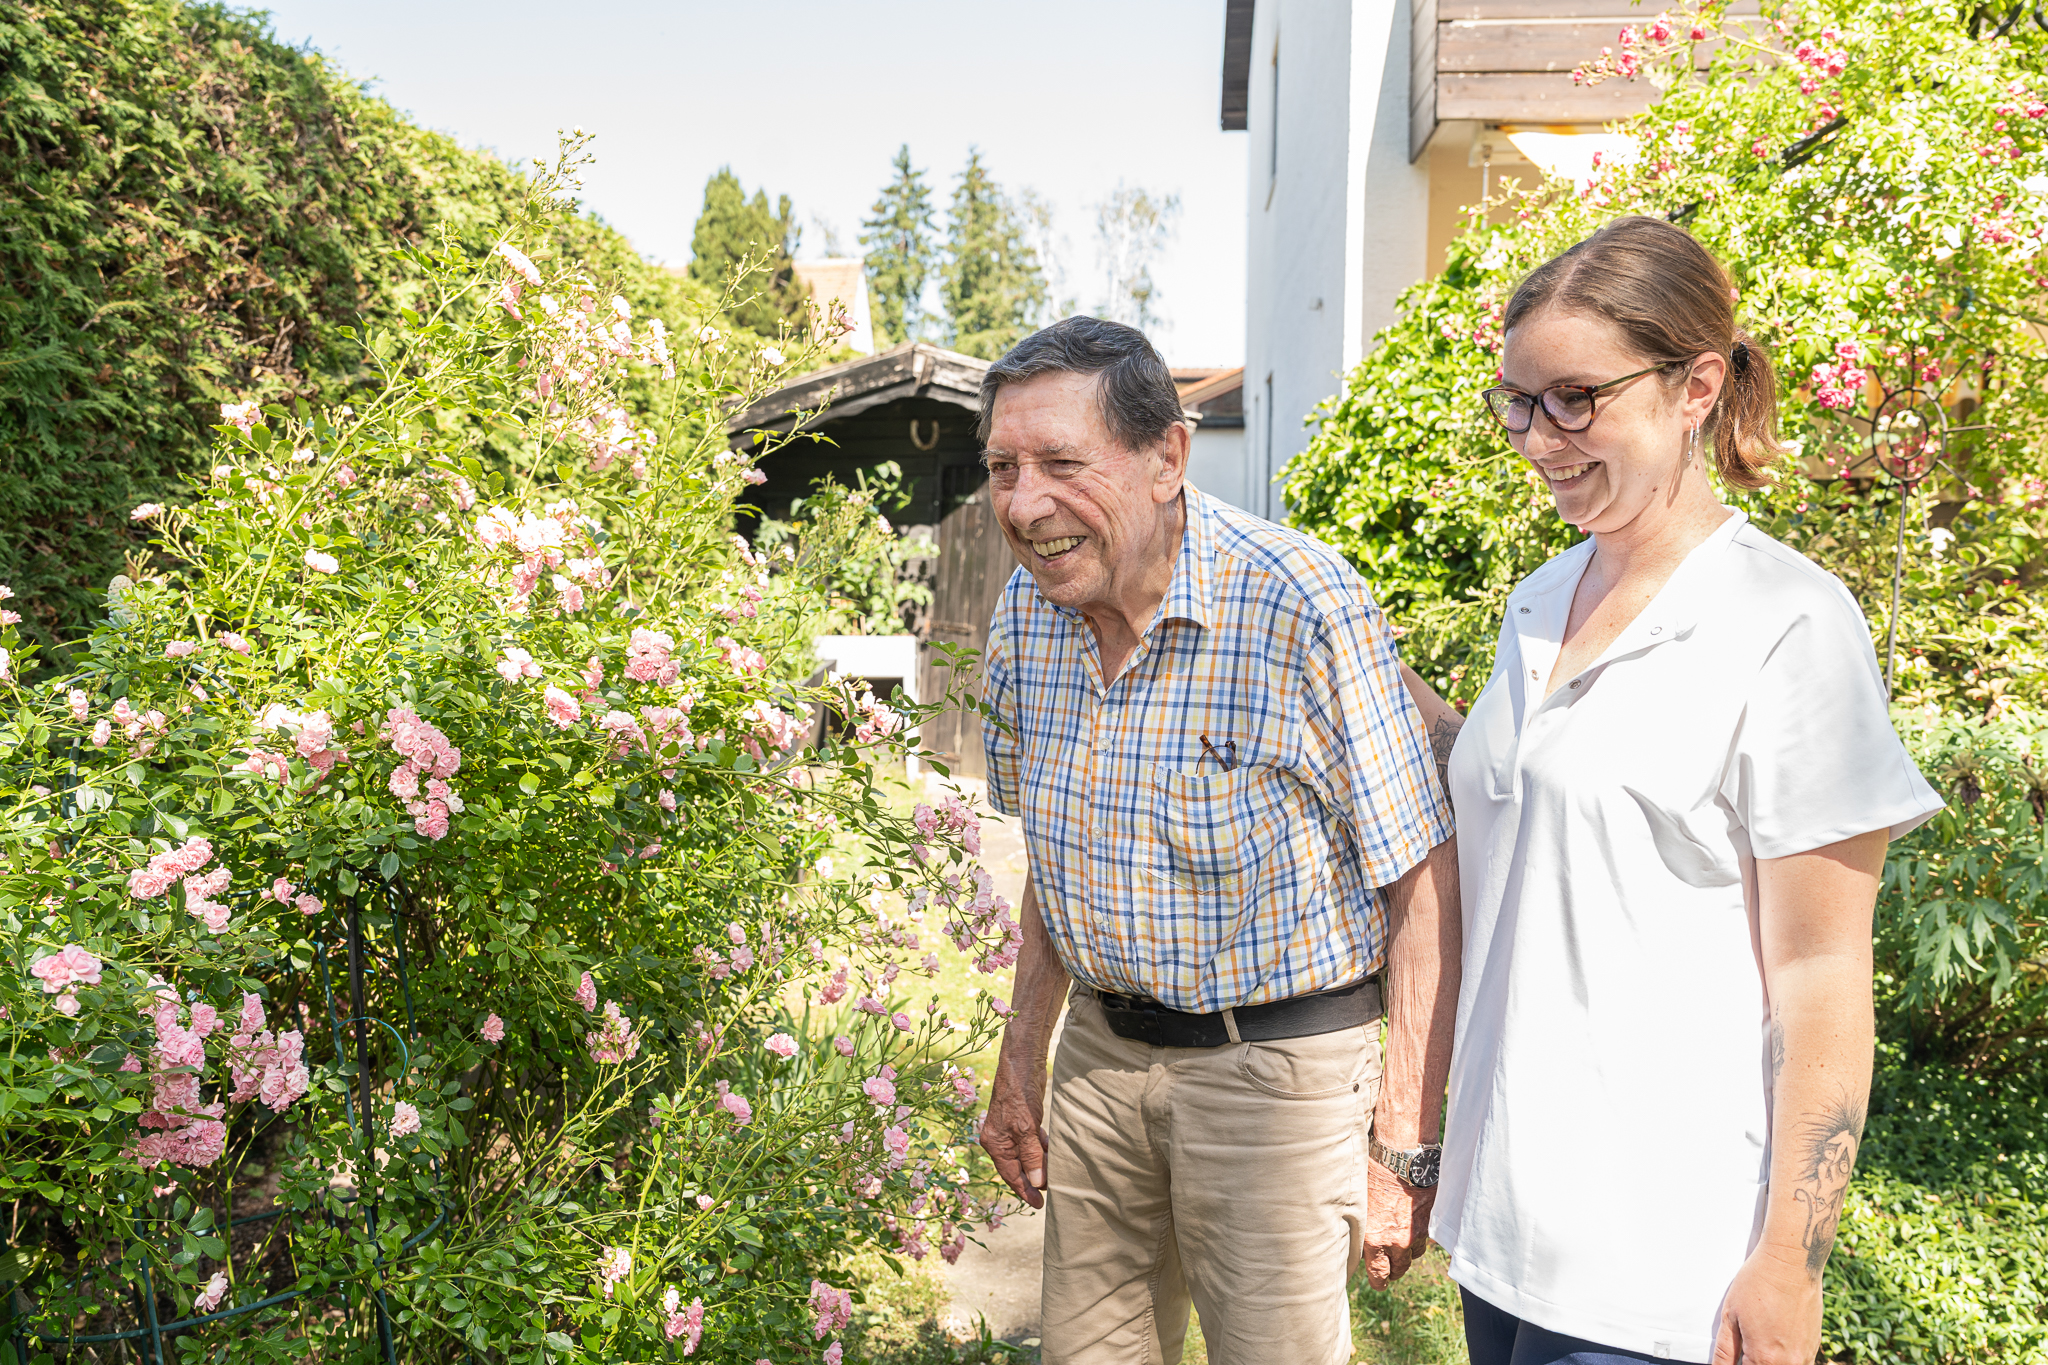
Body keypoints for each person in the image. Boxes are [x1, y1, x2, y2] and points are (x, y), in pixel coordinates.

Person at [1400, 216, 1944, 1365]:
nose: (1536, 438)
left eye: (1572, 399)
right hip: (1502, 1231)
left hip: (1657, 1273)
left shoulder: (1785, 624)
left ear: (1695, 385)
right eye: (1515, 401)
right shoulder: (1539, 600)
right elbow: (1533, 803)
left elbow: (1820, 976)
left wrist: (1789, 1264)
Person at [973, 316, 1462, 1365]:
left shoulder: (1298, 602)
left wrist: (1404, 1148)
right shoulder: (1025, 611)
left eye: (1061, 463)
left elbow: (1421, 875)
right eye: (1002, 467)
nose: (1023, 504)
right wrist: (1021, 1058)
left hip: (1275, 1078)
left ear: (1166, 459)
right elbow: (1055, 860)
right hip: (1100, 1063)